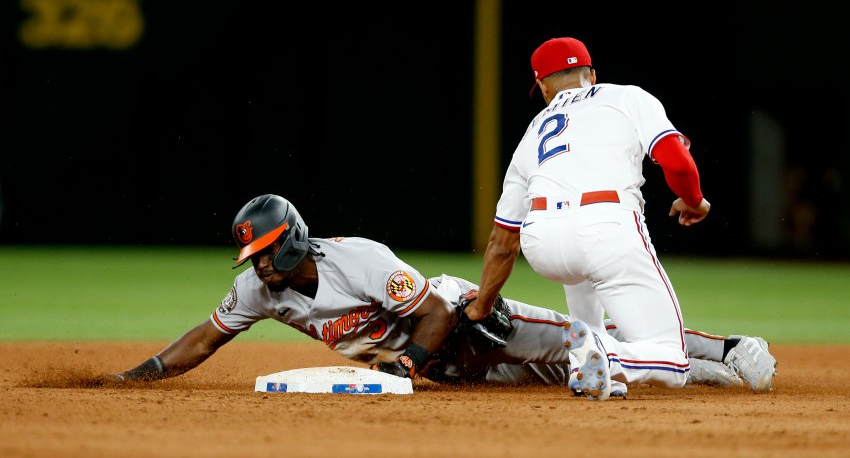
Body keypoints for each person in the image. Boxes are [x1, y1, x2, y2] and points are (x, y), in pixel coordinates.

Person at [108, 194, 776, 395]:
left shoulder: (356, 260)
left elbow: (428, 312)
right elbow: (205, 334)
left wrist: (412, 368)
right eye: (251, 257)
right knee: (565, 381)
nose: (257, 267)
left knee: (583, 342)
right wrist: (144, 374)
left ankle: (730, 349)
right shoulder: (258, 292)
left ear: (290, 242)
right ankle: (699, 378)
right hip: (444, 369)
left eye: (263, 253)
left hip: (462, 324)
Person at [462, 37, 715, 401]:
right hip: (606, 227)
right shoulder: (628, 97)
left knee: (580, 265)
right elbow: (675, 161)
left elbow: (502, 242)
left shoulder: (532, 133)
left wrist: (481, 307)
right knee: (673, 360)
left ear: (544, 86)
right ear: (592, 74)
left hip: (543, 240)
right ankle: (608, 354)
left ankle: (591, 361)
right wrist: (693, 201)